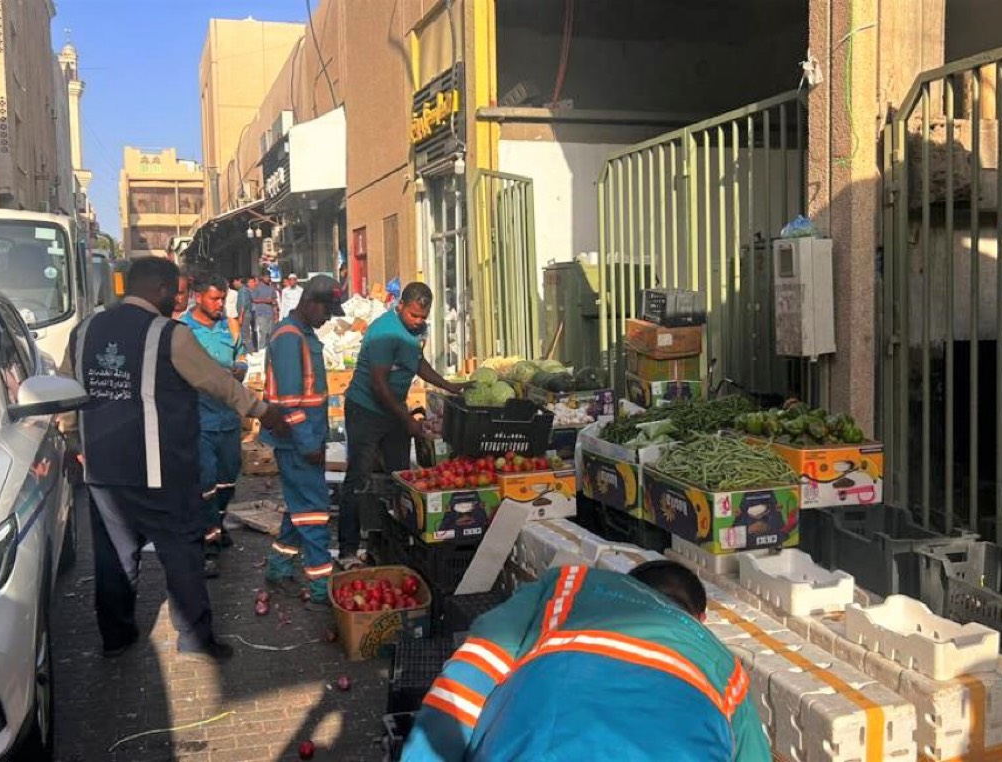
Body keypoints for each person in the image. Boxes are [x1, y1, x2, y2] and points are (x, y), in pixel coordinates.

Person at [62, 257, 289, 663]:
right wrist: (262, 410)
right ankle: (195, 637)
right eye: (176, 292)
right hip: (161, 470)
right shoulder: (169, 334)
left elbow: (66, 394)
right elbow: (217, 381)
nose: (179, 301)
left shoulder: (84, 331)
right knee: (182, 551)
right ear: (162, 290)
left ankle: (115, 637)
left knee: (114, 557)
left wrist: (72, 441)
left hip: (103, 471)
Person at [402, 561, 770, 761]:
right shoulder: (725, 668)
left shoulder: (571, 584)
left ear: (627, 584)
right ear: (701, 619)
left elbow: (475, 669)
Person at [339, 281, 464, 568]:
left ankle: (388, 545)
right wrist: (407, 420)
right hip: (366, 410)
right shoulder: (384, 333)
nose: (418, 321)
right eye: (413, 315)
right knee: (358, 478)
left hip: (393, 409)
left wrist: (449, 386)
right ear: (400, 306)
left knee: (399, 478)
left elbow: (416, 362)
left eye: (423, 317)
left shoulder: (415, 331)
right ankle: (348, 551)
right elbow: (379, 385)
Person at [262, 275, 345, 610]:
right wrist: (309, 443)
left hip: (307, 438)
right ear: (310, 302)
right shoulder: (289, 337)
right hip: (298, 442)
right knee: (313, 512)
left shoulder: (303, 334)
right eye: (326, 311)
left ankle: (279, 567)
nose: (328, 318)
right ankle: (321, 585)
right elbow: (289, 402)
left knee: (300, 507)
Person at [181, 274, 246, 579]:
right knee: (205, 481)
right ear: (198, 297)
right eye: (214, 298)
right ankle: (209, 544)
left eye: (223, 298)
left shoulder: (229, 326)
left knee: (227, 481)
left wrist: (239, 369)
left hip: (228, 419)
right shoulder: (182, 330)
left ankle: (217, 523)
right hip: (198, 421)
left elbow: (241, 356)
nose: (220, 304)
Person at [252, 271, 278, 349]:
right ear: (262, 277)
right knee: (263, 334)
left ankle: (269, 352)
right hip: (261, 314)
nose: (268, 278)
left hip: (271, 314)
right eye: (266, 277)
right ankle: (261, 352)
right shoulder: (257, 287)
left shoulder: (272, 288)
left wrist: (276, 314)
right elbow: (254, 299)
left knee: (271, 335)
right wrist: (266, 301)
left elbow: (274, 301)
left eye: (269, 277)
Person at [238, 275, 256, 352]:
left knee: (245, 334)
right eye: (251, 282)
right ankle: (249, 350)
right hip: (247, 314)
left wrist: (240, 317)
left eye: (253, 282)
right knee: (246, 333)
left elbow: (243, 304)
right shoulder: (247, 290)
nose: (253, 284)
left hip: (244, 315)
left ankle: (250, 351)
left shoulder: (243, 290)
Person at [225, 276, 241, 342]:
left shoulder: (235, 293)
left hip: (234, 318)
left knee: (236, 337)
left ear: (228, 284)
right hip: (225, 319)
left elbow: (239, 306)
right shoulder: (220, 294)